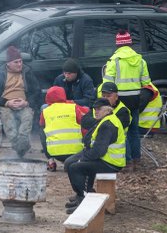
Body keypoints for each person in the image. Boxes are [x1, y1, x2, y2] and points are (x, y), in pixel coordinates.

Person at [63, 98, 125, 213]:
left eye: (99, 109)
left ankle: (85, 201)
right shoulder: (104, 119)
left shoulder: (108, 124)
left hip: (110, 162)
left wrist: (82, 159)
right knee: (69, 163)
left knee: (76, 167)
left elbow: (98, 151)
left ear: (107, 110)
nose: (95, 111)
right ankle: (81, 195)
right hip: (103, 157)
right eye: (94, 109)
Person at [102, 29, 150, 166]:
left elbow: (108, 84)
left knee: (123, 130)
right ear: (130, 44)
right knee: (134, 130)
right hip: (136, 99)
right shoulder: (141, 61)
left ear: (117, 45)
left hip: (119, 100)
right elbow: (146, 83)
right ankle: (137, 159)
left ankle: (127, 161)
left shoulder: (114, 61)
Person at [0, 46, 43, 158]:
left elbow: (37, 91)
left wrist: (27, 102)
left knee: (27, 121)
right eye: (16, 62)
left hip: (24, 104)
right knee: (10, 126)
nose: (20, 64)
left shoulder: (27, 72)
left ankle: (21, 148)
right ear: (8, 63)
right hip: (5, 105)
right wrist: (6, 103)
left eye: (20, 61)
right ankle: (22, 150)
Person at [40, 86, 89, 171]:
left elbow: (42, 125)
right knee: (84, 126)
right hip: (76, 152)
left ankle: (51, 161)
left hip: (54, 152)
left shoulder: (45, 111)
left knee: (42, 130)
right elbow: (86, 121)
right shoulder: (74, 107)